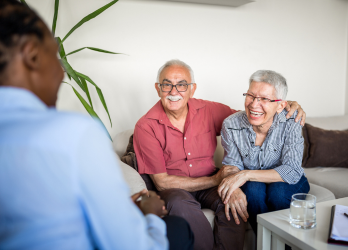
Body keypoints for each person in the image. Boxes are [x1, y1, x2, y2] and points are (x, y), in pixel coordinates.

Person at [0, 1, 193, 249]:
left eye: (182, 85)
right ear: (32, 55)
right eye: (55, 57)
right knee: (177, 228)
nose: (62, 73)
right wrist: (151, 217)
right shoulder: (74, 134)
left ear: (191, 89)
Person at [133, 60, 307, 250]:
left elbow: (253, 115)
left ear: (192, 89)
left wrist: (284, 105)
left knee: (234, 204)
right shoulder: (146, 126)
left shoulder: (209, 110)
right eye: (167, 85)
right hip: (175, 188)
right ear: (158, 89)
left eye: (182, 85)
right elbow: (162, 182)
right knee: (181, 206)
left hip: (212, 181)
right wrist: (219, 180)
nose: (174, 92)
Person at [217, 70, 310, 234]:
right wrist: (238, 180)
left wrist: (245, 175)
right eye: (250, 96)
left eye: (264, 99)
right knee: (252, 192)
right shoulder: (230, 125)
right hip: (255, 182)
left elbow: (292, 170)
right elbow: (232, 165)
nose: (254, 104)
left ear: (281, 105)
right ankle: (266, 242)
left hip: (287, 180)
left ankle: (285, 244)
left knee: (278, 194)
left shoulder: (292, 120)